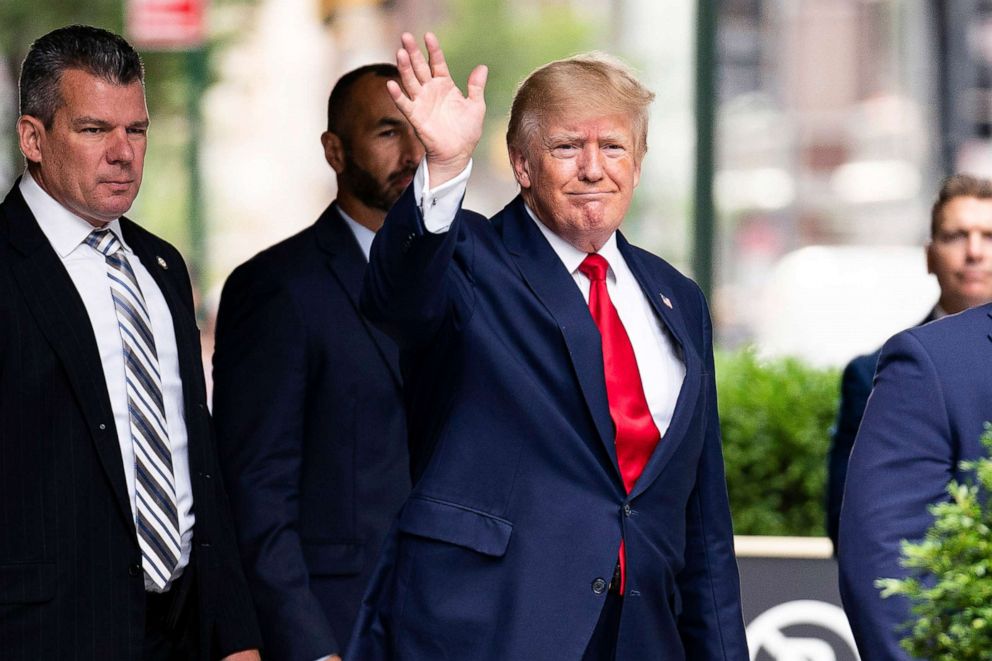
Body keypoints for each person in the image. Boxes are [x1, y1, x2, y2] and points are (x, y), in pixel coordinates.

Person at [346, 33, 748, 660]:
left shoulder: (679, 297)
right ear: (523, 164)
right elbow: (396, 298)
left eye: (613, 146)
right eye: (567, 147)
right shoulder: (470, 259)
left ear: (637, 163)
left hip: (643, 637)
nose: (594, 168)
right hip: (494, 629)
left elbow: (703, 522)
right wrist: (446, 166)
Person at [0, 25, 260, 660]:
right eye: (94, 130)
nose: (123, 152)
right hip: (47, 637)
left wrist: (236, 636)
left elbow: (194, 459)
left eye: (135, 130)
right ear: (33, 138)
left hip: (184, 633)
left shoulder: (162, 267)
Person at [212, 63, 421, 661]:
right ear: (335, 151)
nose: (410, 152)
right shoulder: (276, 289)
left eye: (417, 132)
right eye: (386, 133)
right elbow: (256, 495)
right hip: (341, 627)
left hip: (459, 623)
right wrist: (310, 649)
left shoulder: (471, 272)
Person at [838, 181, 992, 656]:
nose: (973, 253)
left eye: (989, 236)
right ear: (929, 254)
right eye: (956, 236)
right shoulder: (916, 362)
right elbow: (882, 553)